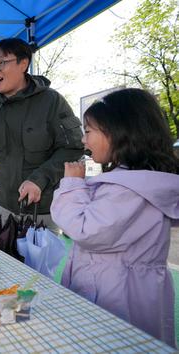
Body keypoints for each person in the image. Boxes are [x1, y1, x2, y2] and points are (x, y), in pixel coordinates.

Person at [51, 88, 179, 348]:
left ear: (120, 131)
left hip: (119, 295)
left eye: (88, 131)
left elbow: (85, 230)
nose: (84, 141)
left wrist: (73, 185)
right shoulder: (137, 182)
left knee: (116, 344)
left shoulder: (128, 189)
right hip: (125, 287)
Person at [0, 38, 83, 229]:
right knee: (1, 259)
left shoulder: (51, 101)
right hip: (3, 206)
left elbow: (73, 149)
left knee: (36, 259)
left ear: (23, 63)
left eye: (2, 63)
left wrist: (39, 179)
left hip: (42, 208)